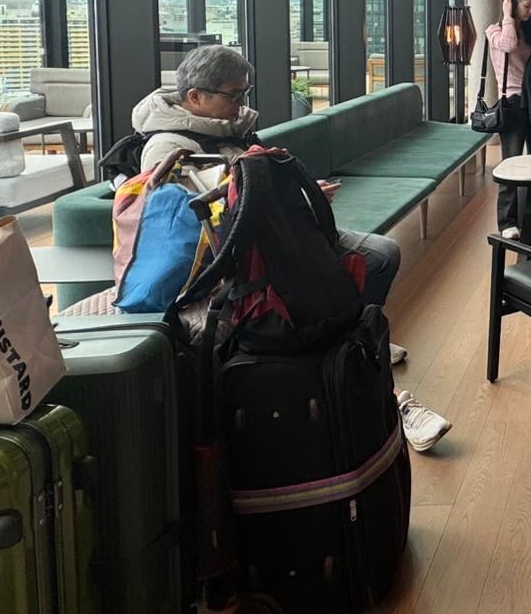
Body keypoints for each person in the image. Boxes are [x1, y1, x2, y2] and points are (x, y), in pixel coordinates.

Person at [132, 46, 451, 451]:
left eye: (244, 94)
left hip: (282, 233)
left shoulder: (228, 130)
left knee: (381, 255)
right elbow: (200, 227)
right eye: (234, 95)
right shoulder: (168, 149)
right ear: (195, 96)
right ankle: (367, 374)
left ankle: (356, 340)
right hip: (245, 258)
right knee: (344, 276)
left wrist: (299, 194)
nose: (241, 105)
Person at [486, 0, 531, 239]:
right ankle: (507, 222)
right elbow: (508, 45)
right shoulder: (495, 32)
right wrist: (508, 17)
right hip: (512, 103)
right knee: (510, 162)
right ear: (511, 3)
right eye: (526, 6)